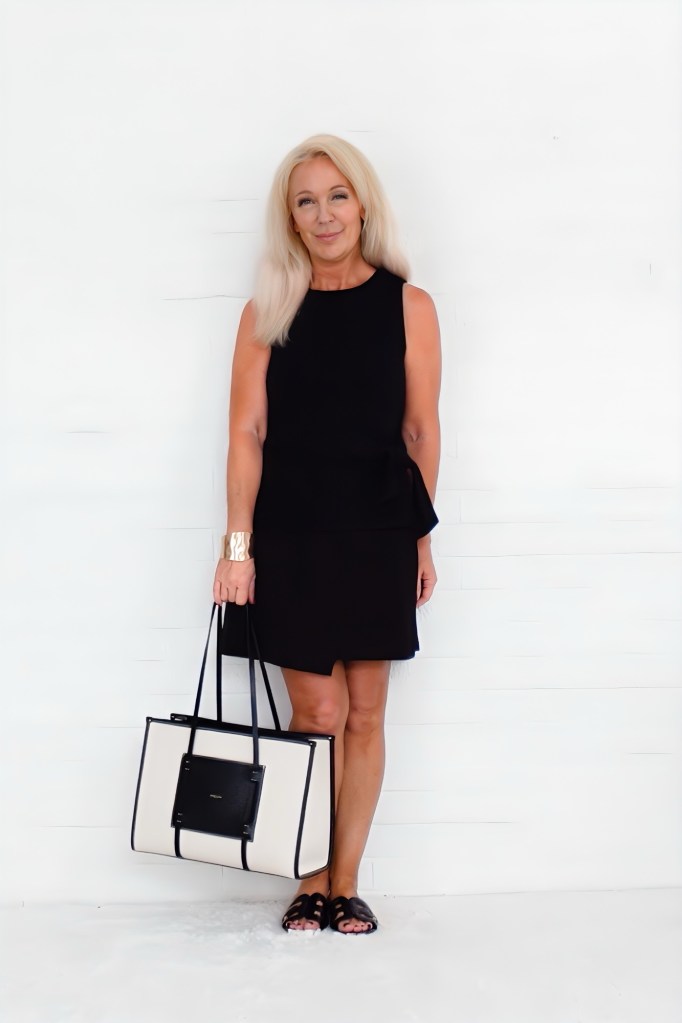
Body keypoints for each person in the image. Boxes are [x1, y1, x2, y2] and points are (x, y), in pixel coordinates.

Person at [213, 133, 441, 935]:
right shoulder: (267, 311)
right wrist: (237, 547)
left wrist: (420, 540)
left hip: (379, 528)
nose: (324, 213)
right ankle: (308, 877)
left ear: (363, 202)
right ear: (291, 216)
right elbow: (246, 431)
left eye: (337, 195)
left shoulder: (409, 306)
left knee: (368, 714)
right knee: (317, 710)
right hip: (294, 534)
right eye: (306, 200)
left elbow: (420, 430)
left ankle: (345, 882)